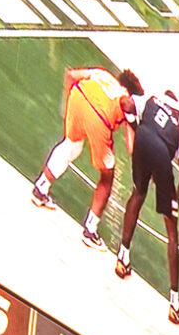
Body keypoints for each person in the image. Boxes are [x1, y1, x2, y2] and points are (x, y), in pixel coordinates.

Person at [31, 64, 142, 248]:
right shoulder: (126, 102)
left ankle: (41, 188)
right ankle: (90, 230)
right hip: (99, 118)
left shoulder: (101, 74)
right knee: (107, 176)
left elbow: (71, 75)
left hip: (78, 98)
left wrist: (65, 105)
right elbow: (130, 147)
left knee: (70, 146)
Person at [112, 80, 179, 310]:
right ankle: (174, 304)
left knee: (138, 193)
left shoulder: (151, 100)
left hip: (143, 138)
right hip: (162, 152)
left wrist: (134, 127)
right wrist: (177, 198)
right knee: (172, 231)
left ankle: (122, 256)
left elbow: (125, 103)